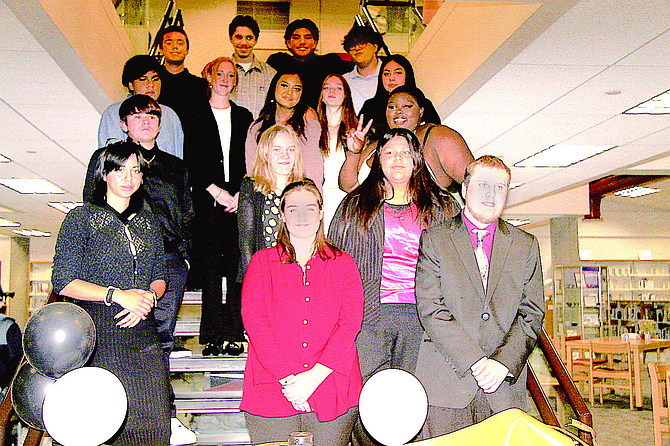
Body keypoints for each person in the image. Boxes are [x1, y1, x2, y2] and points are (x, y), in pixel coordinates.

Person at [328, 128, 458, 446]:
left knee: (416, 401)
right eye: (388, 152)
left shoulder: (443, 208)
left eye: (403, 152)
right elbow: (331, 265)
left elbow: (461, 269)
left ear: (416, 159)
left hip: (424, 320)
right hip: (369, 319)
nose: (396, 158)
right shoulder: (354, 205)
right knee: (367, 400)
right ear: (378, 161)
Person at [83, 95, 196, 445]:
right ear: (123, 124)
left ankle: (165, 415)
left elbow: (188, 213)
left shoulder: (176, 166)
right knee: (123, 339)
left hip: (167, 261)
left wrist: (186, 257)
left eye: (152, 116)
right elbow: (91, 204)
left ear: (160, 124)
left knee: (160, 339)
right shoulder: (106, 161)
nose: (145, 122)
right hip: (123, 259)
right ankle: (119, 414)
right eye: (136, 117)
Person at [414, 155, 545, 437]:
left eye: (500, 187)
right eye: (484, 184)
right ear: (465, 189)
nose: (491, 194)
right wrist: (476, 360)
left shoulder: (525, 245)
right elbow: (430, 308)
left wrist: (502, 363)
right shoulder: (435, 239)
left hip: (503, 389)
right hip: (447, 383)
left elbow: (532, 313)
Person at [53, 142, 170, 445]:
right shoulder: (81, 218)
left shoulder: (149, 224)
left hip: (143, 334)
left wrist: (147, 299)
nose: (128, 177)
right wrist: (118, 295)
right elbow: (63, 280)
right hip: (97, 335)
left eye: (135, 170)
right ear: (104, 174)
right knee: (103, 427)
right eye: (119, 169)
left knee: (154, 427)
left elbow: (160, 276)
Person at [240, 179, 364, 446]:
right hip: (271, 387)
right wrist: (290, 382)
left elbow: (350, 324)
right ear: (282, 215)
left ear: (321, 213)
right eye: (293, 209)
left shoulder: (344, 264)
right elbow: (255, 324)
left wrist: (314, 377)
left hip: (331, 385)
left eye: (310, 208)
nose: (302, 216)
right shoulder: (261, 263)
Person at [194, 56, 254, 357]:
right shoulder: (194, 115)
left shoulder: (244, 116)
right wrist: (215, 191)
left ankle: (234, 332)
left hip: (239, 201)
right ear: (209, 76)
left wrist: (240, 195)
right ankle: (211, 334)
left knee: (235, 268)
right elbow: (190, 159)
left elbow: (249, 159)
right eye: (220, 74)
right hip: (208, 200)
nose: (225, 79)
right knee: (211, 270)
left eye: (231, 75)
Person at [340, 86, 473, 196]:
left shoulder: (438, 136)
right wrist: (353, 153)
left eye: (407, 106)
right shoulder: (376, 145)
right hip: (375, 224)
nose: (398, 112)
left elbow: (475, 183)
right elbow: (348, 186)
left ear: (421, 111)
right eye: (391, 107)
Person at [237, 124, 305, 283]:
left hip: (299, 276)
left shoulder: (306, 188)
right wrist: (253, 284)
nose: (285, 156)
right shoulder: (251, 188)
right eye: (277, 150)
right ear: (265, 154)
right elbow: (246, 244)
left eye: (290, 149)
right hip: (264, 277)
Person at [245, 71, 323, 188]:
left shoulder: (308, 123)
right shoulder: (257, 127)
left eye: (296, 89)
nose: (289, 92)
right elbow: (252, 168)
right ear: (274, 87)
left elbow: (313, 167)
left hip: (298, 194)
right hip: (264, 193)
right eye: (284, 85)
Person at [98, 55, 184, 159]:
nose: (150, 85)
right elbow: (108, 160)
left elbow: (177, 158)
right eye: (143, 79)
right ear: (131, 85)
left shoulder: (169, 115)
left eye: (155, 79)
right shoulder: (113, 113)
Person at [267, 19, 353, 109]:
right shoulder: (278, 61)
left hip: (321, 118)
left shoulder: (329, 62)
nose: (302, 42)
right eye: (296, 38)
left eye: (307, 38)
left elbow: (359, 68)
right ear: (288, 43)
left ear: (315, 43)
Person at [316, 73, 361, 230]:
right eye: (326, 87)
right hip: (316, 198)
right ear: (321, 96)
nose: (332, 91)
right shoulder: (311, 130)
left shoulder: (357, 133)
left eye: (338, 88)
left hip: (347, 199)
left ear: (346, 95)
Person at [358, 55, 441, 138]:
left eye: (398, 73)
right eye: (386, 74)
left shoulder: (423, 103)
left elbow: (435, 135)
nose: (391, 78)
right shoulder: (370, 106)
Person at [156, 25, 209, 132]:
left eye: (180, 43)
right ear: (161, 49)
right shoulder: (153, 82)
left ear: (187, 50)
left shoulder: (200, 85)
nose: (175, 47)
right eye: (169, 43)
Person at [228, 15, 276, 119]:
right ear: (231, 39)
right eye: (238, 37)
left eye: (249, 38)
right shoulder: (220, 72)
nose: (244, 42)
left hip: (261, 133)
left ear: (256, 40)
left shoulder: (271, 74)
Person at [342, 26, 384, 114]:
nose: (357, 48)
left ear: (375, 47)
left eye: (362, 43)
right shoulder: (344, 81)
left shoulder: (388, 76)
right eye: (352, 45)